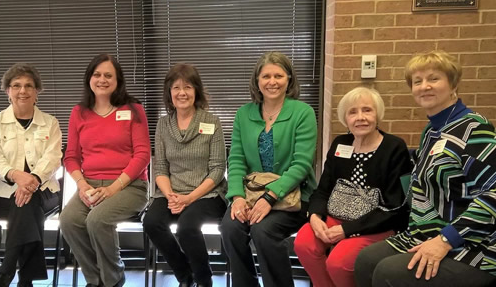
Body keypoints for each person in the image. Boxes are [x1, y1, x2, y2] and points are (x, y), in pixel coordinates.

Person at [354, 51, 496, 287]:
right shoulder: (432, 131)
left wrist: (445, 240)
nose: (424, 86)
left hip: (474, 243)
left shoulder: (475, 130)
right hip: (428, 231)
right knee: (366, 260)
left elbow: (493, 194)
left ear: (453, 83)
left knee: (389, 273)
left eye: (433, 79)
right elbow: (424, 166)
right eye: (417, 81)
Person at [292, 87, 412, 287]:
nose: (360, 117)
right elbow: (323, 190)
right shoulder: (341, 143)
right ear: (345, 118)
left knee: (338, 263)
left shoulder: (394, 147)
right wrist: (314, 217)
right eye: (353, 112)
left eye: (367, 110)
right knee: (303, 243)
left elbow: (395, 207)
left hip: (374, 222)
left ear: (378, 114)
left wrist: (346, 230)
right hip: (336, 215)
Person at [219, 51, 317, 287]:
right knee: (230, 227)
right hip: (252, 194)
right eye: (266, 76)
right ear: (257, 81)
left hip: (294, 196)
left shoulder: (303, 113)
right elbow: (237, 159)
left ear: (289, 80)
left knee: (263, 232)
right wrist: (237, 197)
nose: (272, 82)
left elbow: (302, 164)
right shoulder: (244, 114)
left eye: (279, 76)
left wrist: (270, 196)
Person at [59, 54, 150, 287]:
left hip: (129, 186)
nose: (102, 79)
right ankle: (95, 279)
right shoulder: (79, 112)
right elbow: (71, 157)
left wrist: (112, 188)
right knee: (68, 220)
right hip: (89, 184)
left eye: (108, 75)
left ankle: (113, 278)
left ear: (118, 80)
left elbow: (142, 155)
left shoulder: (133, 109)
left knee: (97, 220)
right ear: (89, 78)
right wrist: (82, 185)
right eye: (97, 74)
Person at [142, 63, 227, 287]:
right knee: (151, 222)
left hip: (208, 193)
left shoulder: (211, 122)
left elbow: (218, 169)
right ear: (169, 93)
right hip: (172, 192)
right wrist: (170, 195)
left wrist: (189, 199)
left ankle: (204, 280)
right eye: (176, 87)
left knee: (187, 226)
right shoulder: (163, 124)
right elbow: (159, 168)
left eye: (188, 87)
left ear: (196, 91)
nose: (182, 93)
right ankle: (185, 275)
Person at [0, 63, 63, 287]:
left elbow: (53, 158)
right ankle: (24, 280)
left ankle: (5, 273)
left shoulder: (50, 123)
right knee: (26, 208)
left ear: (37, 91)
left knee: (28, 203)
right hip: (4, 194)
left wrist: (33, 180)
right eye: (16, 85)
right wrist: (17, 176)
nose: (22, 90)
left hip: (45, 192)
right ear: (7, 90)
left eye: (29, 85)